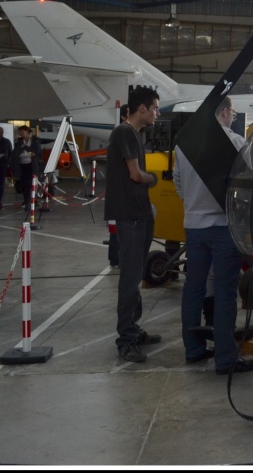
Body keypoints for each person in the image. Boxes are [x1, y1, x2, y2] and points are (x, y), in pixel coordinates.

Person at [174, 97, 253, 375]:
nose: (232, 118)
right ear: (223, 111)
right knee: (224, 292)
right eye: (232, 113)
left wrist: (193, 204)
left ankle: (193, 349)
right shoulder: (235, 143)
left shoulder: (183, 145)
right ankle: (225, 358)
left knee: (194, 289)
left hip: (193, 226)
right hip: (223, 227)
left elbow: (178, 182)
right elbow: (248, 181)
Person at [106, 86, 162, 363]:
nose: (157, 113)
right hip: (129, 217)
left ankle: (134, 329)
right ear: (142, 109)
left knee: (136, 275)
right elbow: (136, 175)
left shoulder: (136, 135)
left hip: (140, 214)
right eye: (154, 108)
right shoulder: (124, 133)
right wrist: (154, 178)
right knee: (129, 279)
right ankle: (125, 339)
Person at [105, 104, 132, 268]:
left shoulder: (122, 133)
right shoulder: (123, 133)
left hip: (119, 191)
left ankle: (116, 257)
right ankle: (116, 257)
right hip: (119, 191)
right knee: (118, 228)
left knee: (118, 227)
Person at [12, 126, 42, 210]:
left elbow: (35, 151)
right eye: (19, 132)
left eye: (22, 131)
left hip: (31, 165)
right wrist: (28, 153)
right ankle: (27, 200)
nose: (20, 133)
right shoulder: (18, 142)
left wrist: (25, 147)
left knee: (31, 183)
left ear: (28, 132)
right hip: (22, 165)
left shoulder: (35, 141)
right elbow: (16, 154)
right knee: (24, 184)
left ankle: (31, 200)